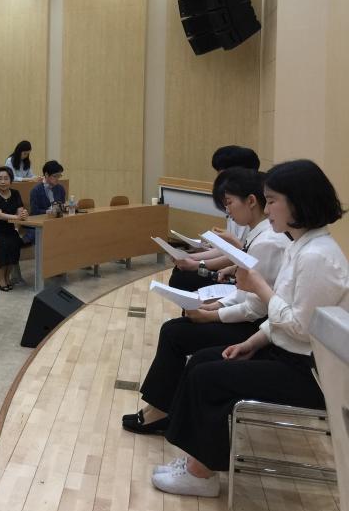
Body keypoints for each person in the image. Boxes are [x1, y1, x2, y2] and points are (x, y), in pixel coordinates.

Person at [150, 159, 348, 498]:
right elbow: (284, 317)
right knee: (202, 363)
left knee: (208, 377)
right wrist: (253, 342)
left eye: (272, 201)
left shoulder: (317, 256)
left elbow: (299, 327)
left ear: (299, 202)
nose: (267, 209)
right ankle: (196, 462)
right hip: (286, 353)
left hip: (309, 373)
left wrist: (259, 286)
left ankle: (201, 475)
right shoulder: (302, 247)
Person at [123, 168, 289, 436]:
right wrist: (213, 306)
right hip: (252, 319)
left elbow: (255, 307)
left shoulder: (269, 241)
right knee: (176, 327)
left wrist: (211, 315)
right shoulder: (259, 235)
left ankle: (161, 411)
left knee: (175, 333)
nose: (228, 211)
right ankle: (161, 407)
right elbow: (245, 292)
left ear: (251, 201)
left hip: (254, 327)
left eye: (229, 203)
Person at [0, 166, 28, 292]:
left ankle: (7, 276)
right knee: (4, 245)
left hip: (9, 228)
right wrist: (17, 217)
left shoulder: (15, 193)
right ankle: (1, 278)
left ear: (11, 180)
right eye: (0, 179)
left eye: (6, 178)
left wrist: (23, 214)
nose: (3, 182)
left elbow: (20, 210)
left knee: (15, 244)